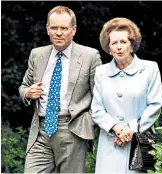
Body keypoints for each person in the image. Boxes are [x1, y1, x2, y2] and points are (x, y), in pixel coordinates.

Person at [19, 5, 102, 173]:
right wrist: (27, 93)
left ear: (73, 30)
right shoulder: (37, 54)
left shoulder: (90, 56)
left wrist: (88, 120)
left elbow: (100, 96)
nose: (58, 32)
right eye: (54, 28)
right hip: (40, 131)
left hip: (72, 130)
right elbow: (24, 86)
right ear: (47, 29)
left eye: (63, 28)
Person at [91, 17, 162, 173]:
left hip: (141, 140)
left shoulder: (150, 69)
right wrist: (117, 128)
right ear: (108, 48)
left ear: (132, 45)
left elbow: (155, 105)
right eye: (114, 43)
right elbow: (96, 109)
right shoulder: (101, 72)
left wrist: (130, 129)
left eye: (123, 42)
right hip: (110, 141)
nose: (119, 47)